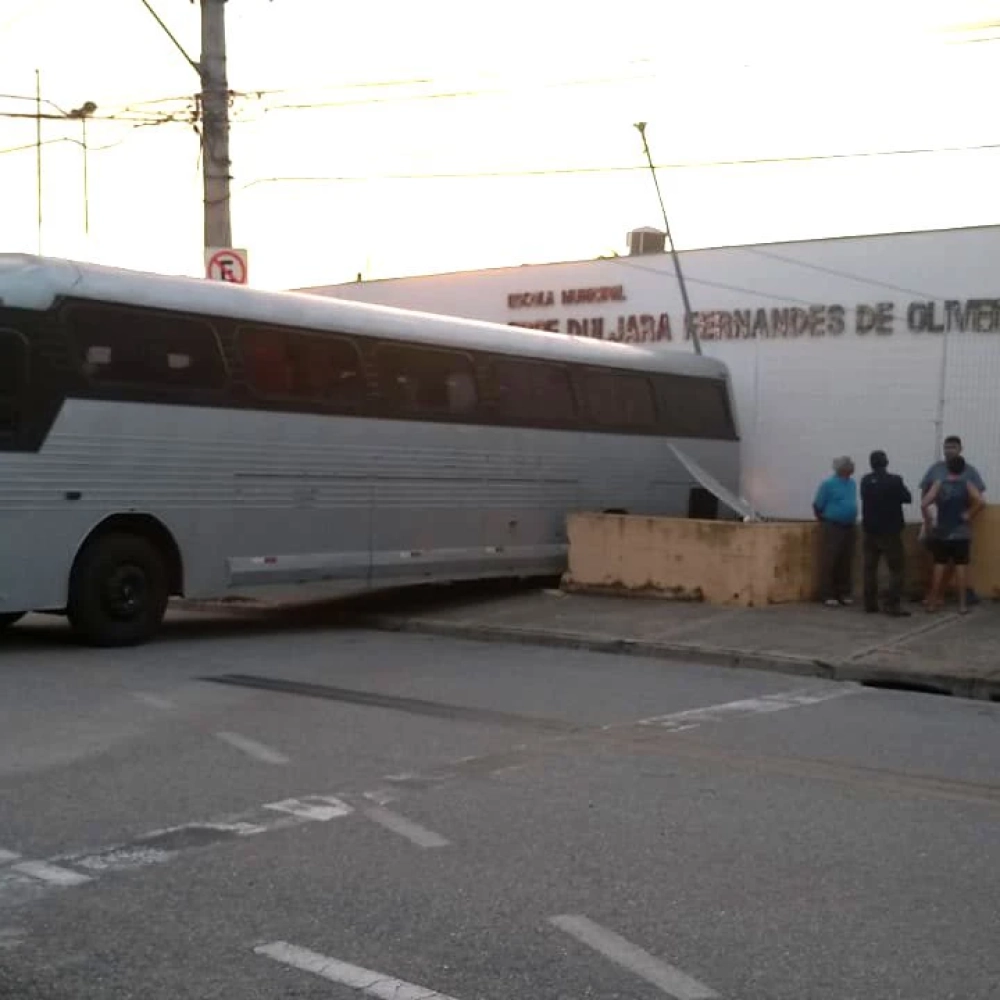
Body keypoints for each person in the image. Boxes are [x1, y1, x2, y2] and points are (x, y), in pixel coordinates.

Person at [920, 435, 986, 606]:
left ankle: (938, 595)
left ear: (960, 449)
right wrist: (927, 519)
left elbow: (978, 498)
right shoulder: (935, 469)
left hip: (956, 525)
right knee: (935, 559)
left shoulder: (969, 471)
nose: (948, 450)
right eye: (946, 447)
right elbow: (924, 493)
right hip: (938, 522)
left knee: (945, 562)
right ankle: (936, 596)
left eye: (952, 447)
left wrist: (968, 514)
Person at [860, 450, 912, 616]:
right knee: (897, 569)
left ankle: (870, 604)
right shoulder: (895, 480)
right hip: (890, 531)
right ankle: (892, 604)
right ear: (886, 462)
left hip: (870, 530)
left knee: (870, 568)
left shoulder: (865, 481)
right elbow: (907, 498)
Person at [813, 456, 858, 607]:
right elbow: (818, 505)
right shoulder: (828, 484)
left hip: (849, 526)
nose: (852, 467)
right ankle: (827, 593)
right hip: (833, 526)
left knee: (846, 560)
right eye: (849, 465)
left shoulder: (852, 483)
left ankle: (843, 592)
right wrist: (825, 520)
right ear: (842, 468)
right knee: (831, 560)